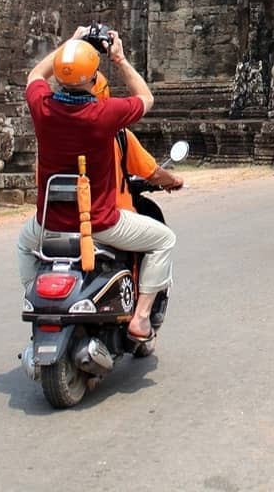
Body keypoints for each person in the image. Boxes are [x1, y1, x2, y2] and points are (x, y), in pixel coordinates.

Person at [16, 26, 175, 343]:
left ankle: (35, 294)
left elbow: (35, 74)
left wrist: (71, 43)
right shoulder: (104, 114)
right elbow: (146, 98)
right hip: (100, 223)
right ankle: (141, 319)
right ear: (92, 80)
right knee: (164, 240)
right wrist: (119, 58)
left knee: (23, 243)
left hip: (49, 224)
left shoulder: (43, 108)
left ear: (60, 78)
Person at [92, 73, 184, 216]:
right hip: (111, 216)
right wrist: (172, 180)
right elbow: (154, 174)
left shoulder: (53, 126)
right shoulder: (119, 134)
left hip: (60, 219)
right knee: (166, 238)